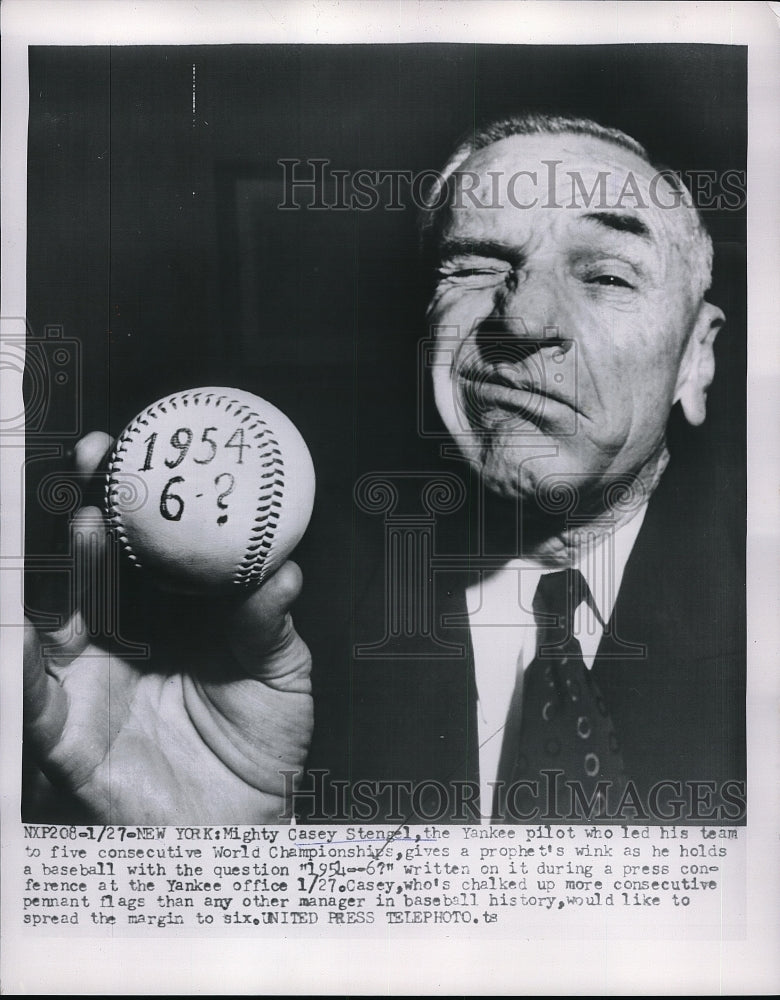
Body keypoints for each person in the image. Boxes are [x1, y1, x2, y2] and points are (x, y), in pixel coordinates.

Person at [23, 114, 745, 825]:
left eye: (608, 275)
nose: (522, 320)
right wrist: (222, 853)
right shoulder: (253, 637)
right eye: (476, 266)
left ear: (696, 359)